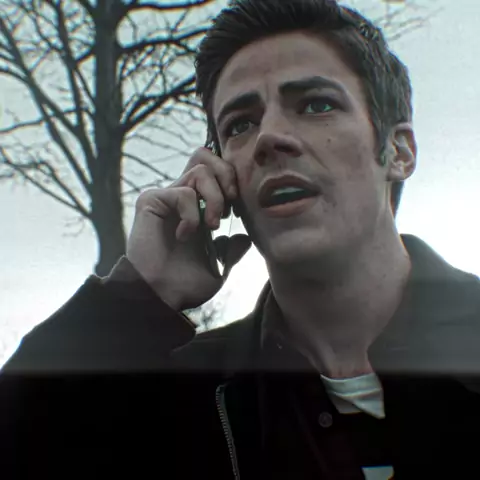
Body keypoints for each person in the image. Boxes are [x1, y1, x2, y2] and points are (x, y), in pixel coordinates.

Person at [1, 0, 480, 478]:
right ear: (220, 175)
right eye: (241, 124)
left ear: (398, 151)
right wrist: (138, 297)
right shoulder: (186, 399)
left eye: (317, 105)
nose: (269, 137)